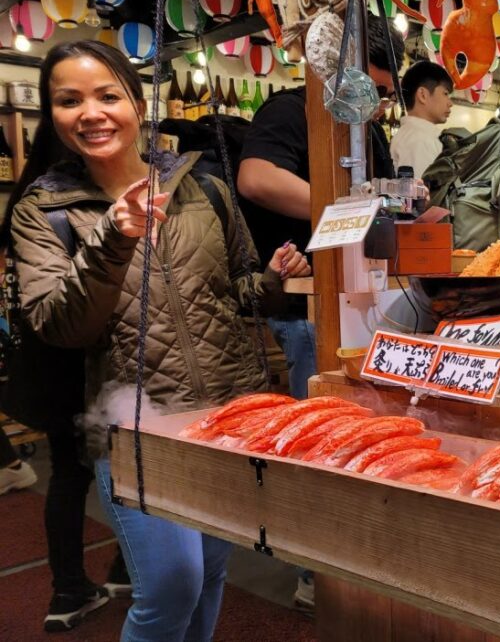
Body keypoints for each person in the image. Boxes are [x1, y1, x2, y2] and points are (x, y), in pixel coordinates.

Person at [5, 40, 308, 641]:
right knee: (170, 585)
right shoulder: (45, 211)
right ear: (53, 114)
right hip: (132, 427)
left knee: (212, 572)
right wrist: (114, 238)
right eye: (69, 100)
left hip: (227, 417)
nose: (91, 112)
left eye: (107, 95)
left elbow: (240, 288)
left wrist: (275, 279)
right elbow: (61, 325)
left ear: (138, 103)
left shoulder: (206, 189)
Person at [238, 14, 404, 404]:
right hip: (305, 302)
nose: (378, 103)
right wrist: (345, 215)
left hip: (367, 296)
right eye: (374, 89)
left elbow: (381, 198)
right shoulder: (291, 111)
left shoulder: (370, 130)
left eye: (385, 94)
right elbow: (256, 178)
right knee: (326, 414)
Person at [391, 60, 453, 176]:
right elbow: (424, 191)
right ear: (423, 95)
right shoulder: (420, 139)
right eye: (445, 93)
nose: (450, 103)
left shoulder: (413, 134)